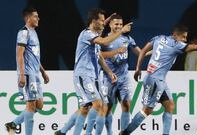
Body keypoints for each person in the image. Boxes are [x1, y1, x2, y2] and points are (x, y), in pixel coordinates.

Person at [119, 25, 197, 135]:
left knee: (170, 105)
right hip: (155, 81)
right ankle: (125, 133)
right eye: (183, 37)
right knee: (147, 111)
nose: (185, 40)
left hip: (157, 80)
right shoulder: (176, 45)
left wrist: (138, 69)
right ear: (175, 35)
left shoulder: (159, 38)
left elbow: (142, 51)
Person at [55, 9, 132, 135]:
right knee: (97, 104)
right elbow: (105, 41)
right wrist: (121, 31)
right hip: (83, 75)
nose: (103, 23)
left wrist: (108, 72)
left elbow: (99, 57)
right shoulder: (87, 34)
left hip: (94, 77)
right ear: (94, 21)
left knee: (87, 108)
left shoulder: (95, 36)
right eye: (101, 21)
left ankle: (62, 132)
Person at [5, 7, 49, 135]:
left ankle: (12, 124)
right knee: (31, 105)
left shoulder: (34, 32)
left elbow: (34, 56)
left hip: (35, 73)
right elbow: (19, 55)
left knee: (39, 105)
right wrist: (22, 74)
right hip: (28, 74)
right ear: (28, 18)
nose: (38, 18)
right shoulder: (24, 33)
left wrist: (43, 71)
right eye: (36, 16)